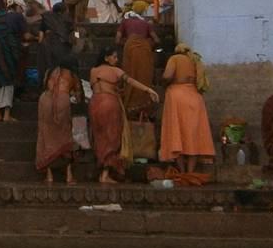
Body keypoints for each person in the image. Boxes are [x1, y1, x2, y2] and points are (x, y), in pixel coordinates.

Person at [89, 46, 159, 184]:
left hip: (95, 103)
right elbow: (131, 81)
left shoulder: (93, 71)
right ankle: (105, 174)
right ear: (106, 58)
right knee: (112, 138)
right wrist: (148, 90)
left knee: (99, 137)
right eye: (114, 56)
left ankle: (105, 171)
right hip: (109, 103)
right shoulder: (116, 71)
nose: (117, 59)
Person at [160, 43, 215, 174]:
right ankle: (190, 172)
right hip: (195, 97)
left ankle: (182, 171)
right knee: (194, 136)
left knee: (177, 133)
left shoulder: (175, 59)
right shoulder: (195, 60)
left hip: (177, 97)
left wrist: (163, 83)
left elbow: (167, 76)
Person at [0, 3, 27, 123]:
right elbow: (26, 35)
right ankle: (7, 114)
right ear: (17, 8)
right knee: (8, 78)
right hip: (8, 48)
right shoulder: (18, 17)